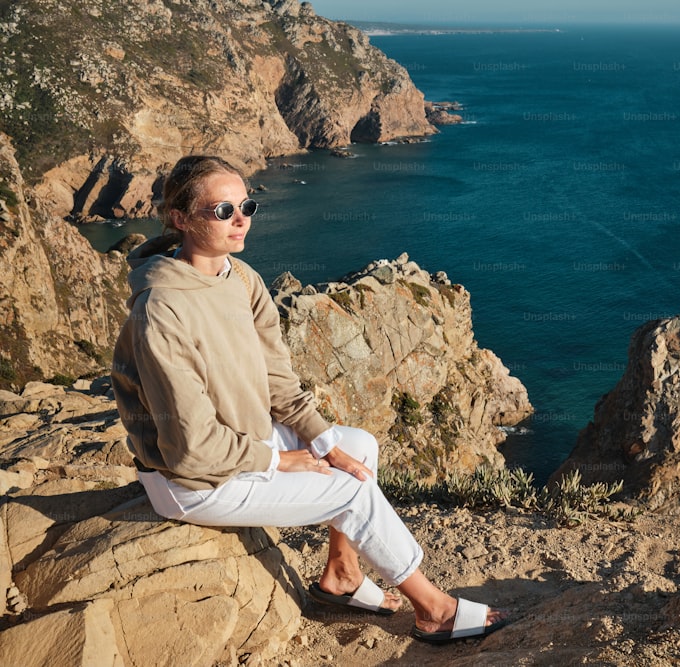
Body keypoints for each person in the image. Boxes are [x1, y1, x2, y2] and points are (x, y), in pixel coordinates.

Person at [111, 155, 507, 645]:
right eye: (223, 210)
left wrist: (322, 442)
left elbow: (278, 379)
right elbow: (190, 448)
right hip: (191, 480)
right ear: (180, 219)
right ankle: (435, 609)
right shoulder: (162, 308)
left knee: (357, 448)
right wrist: (279, 460)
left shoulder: (241, 280)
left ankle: (341, 576)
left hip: (240, 443)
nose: (241, 220)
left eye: (248, 206)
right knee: (352, 490)